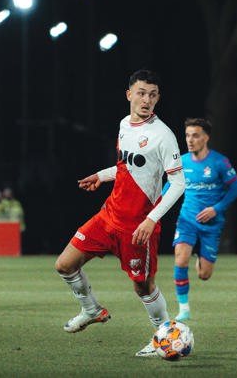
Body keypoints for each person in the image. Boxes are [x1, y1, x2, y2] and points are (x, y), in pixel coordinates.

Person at [54, 69, 186, 357]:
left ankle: (162, 337)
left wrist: (152, 219)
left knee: (143, 286)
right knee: (64, 265)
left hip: (138, 226)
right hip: (108, 216)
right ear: (129, 94)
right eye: (141, 93)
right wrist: (102, 175)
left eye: (152, 95)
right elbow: (128, 167)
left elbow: (178, 183)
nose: (146, 99)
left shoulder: (163, 136)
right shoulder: (125, 124)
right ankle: (92, 310)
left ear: (158, 98)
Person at [168, 118, 237, 321]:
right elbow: (170, 187)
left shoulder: (220, 162)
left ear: (206, 138)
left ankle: (199, 257)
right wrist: (155, 206)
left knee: (204, 275)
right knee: (180, 259)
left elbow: (236, 188)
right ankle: (184, 309)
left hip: (211, 224)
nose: (190, 140)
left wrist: (216, 209)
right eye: (187, 135)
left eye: (195, 135)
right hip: (187, 219)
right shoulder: (181, 161)